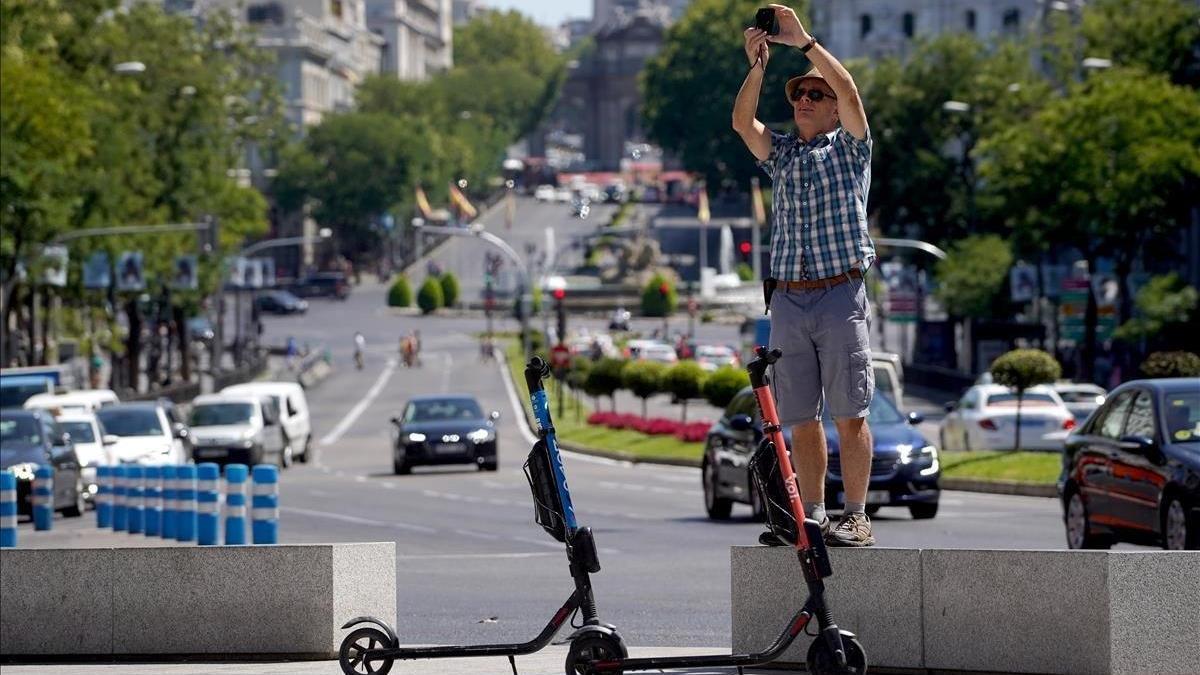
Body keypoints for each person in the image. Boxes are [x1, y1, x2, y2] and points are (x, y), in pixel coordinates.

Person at [733, 4, 877, 547]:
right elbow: (742, 124)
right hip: (790, 300)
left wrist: (805, 43)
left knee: (849, 413)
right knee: (801, 418)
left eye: (817, 95)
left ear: (836, 111)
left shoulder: (853, 152)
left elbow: (854, 93)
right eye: (800, 95)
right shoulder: (785, 154)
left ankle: (856, 515)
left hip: (840, 293)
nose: (806, 101)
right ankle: (811, 514)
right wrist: (760, 66)